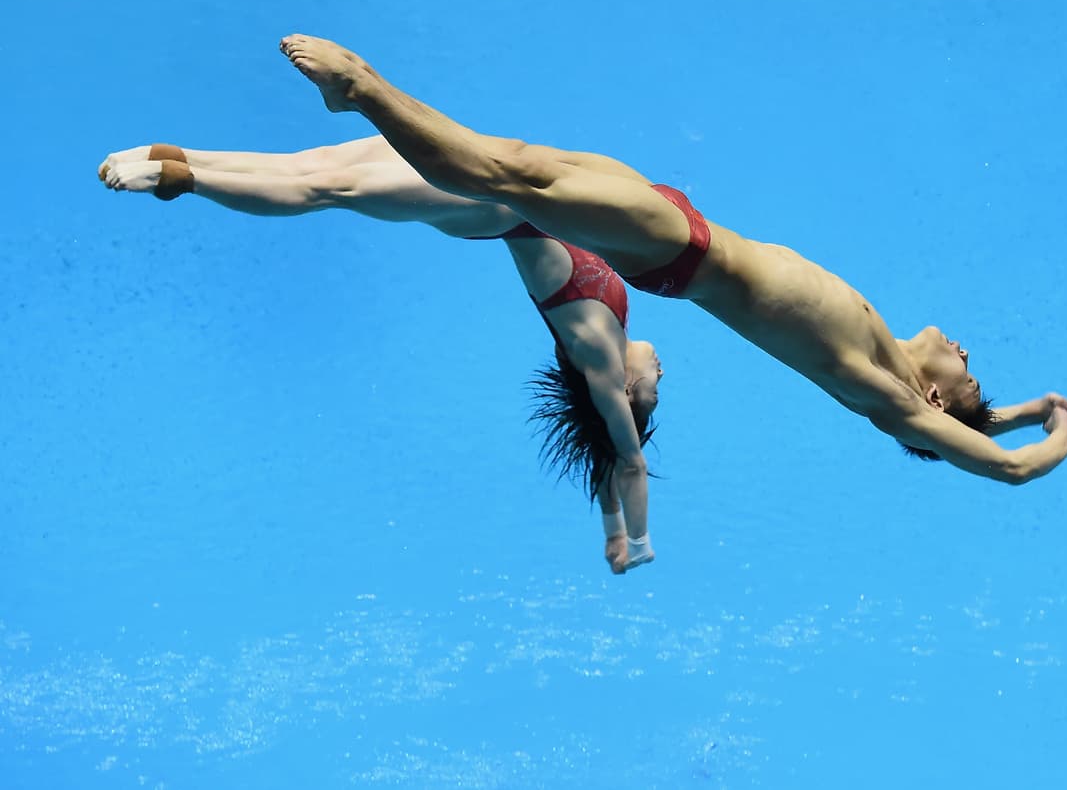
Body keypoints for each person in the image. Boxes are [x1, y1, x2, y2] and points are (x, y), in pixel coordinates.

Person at [273, 33, 1067, 483]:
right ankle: (367, 96)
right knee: (514, 160)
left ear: (929, 398)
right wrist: (1030, 405)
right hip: (681, 223)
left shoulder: (886, 393)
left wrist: (1059, 437)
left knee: (511, 179)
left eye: (968, 371)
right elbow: (982, 423)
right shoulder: (898, 363)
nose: (965, 352)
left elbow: (1005, 470)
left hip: (680, 253)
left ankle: (362, 89)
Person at [98, 137, 662, 573]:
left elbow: (627, 461)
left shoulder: (600, 361)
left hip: (482, 206)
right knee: (314, 164)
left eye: (656, 389)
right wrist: (613, 530)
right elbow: (611, 462)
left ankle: (181, 181)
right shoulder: (618, 329)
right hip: (490, 177)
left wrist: (636, 543)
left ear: (628, 397)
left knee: (330, 190)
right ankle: (175, 157)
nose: (661, 373)